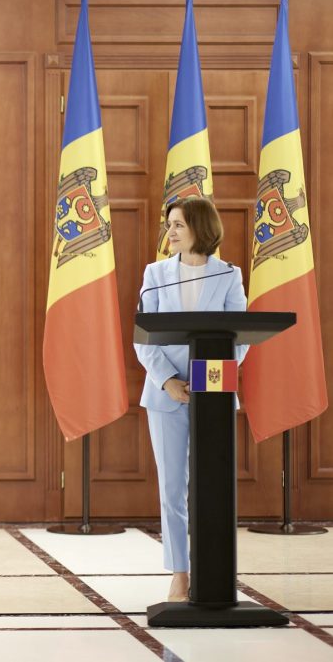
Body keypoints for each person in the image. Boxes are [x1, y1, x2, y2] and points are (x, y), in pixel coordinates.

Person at [134, 197, 247, 603]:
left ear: (201, 228)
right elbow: (143, 337)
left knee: (212, 487)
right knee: (172, 489)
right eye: (169, 225)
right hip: (166, 396)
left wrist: (203, 381)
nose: (171, 232)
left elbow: (239, 339)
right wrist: (169, 382)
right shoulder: (156, 274)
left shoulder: (229, 275)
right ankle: (180, 573)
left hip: (212, 395)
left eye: (179, 224)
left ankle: (211, 570)